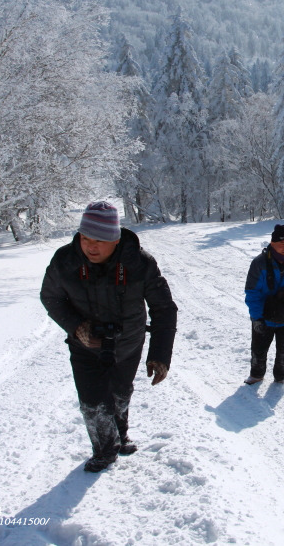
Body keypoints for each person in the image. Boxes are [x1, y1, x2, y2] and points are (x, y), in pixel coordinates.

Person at [40, 201, 178, 473]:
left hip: (128, 343)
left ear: (115, 239)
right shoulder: (65, 260)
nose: (91, 246)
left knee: (119, 393)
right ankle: (104, 451)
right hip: (85, 346)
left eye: (100, 240)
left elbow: (164, 308)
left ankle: (120, 434)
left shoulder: (140, 263)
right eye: (85, 238)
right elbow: (50, 297)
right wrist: (76, 325)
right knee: (92, 401)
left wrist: (160, 355)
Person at [243, 224, 284, 385]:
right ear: (272, 244)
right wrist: (257, 318)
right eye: (281, 244)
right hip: (264, 316)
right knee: (259, 349)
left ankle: (281, 377)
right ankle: (257, 375)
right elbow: (252, 292)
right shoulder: (260, 263)